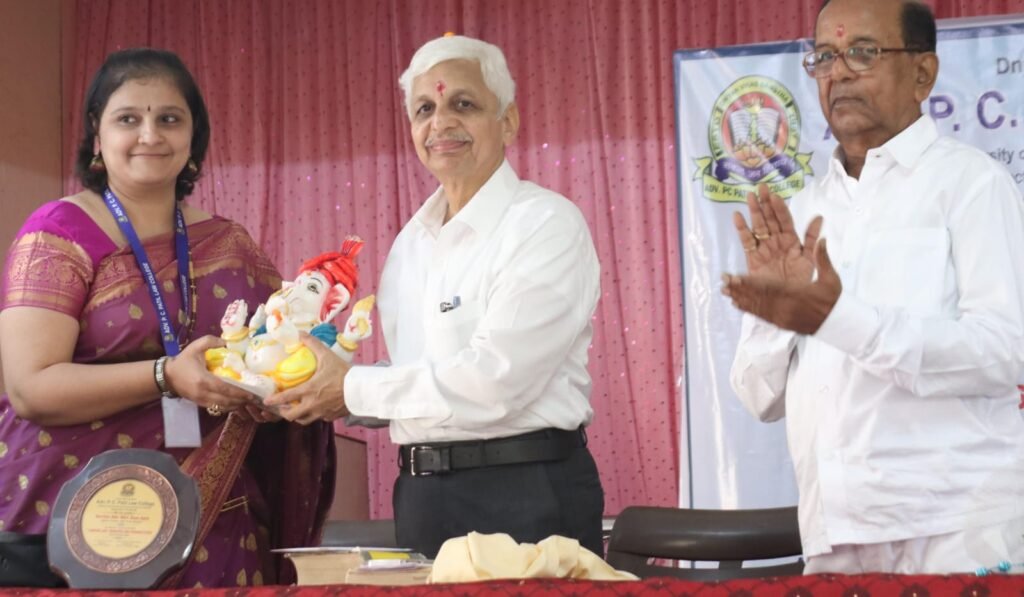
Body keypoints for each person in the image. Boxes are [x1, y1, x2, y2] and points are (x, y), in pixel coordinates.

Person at [0, 48, 334, 587]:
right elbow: (29, 388)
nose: (150, 135)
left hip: (213, 514)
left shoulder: (230, 244)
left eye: (170, 119)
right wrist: (166, 375)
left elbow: (273, 351)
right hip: (76, 518)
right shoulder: (59, 233)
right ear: (97, 133)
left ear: (193, 136)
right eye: (128, 118)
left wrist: (275, 391)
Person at [265, 35, 605, 558]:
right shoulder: (411, 242)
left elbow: (495, 380)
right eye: (424, 109)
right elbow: (423, 371)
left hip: (524, 491)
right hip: (422, 497)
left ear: (508, 121)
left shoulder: (544, 224)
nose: (440, 123)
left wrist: (351, 389)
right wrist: (314, 384)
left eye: (463, 104)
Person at [722, 0, 1024, 575]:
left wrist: (839, 318)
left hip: (956, 528)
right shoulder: (803, 211)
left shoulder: (972, 184)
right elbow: (759, 397)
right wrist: (777, 317)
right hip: (834, 531)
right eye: (824, 57)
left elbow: (1004, 352)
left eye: (862, 53)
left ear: (922, 74)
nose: (838, 74)